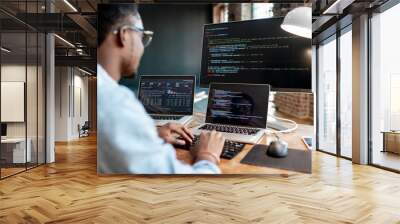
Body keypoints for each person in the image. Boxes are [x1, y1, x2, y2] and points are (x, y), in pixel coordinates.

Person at [97, 4, 225, 174]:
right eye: (143, 37)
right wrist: (208, 154)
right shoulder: (116, 104)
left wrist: (150, 132)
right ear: (124, 35)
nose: (143, 47)